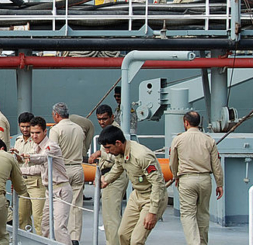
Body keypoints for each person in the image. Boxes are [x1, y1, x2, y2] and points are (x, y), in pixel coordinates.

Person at [100, 125, 167, 245]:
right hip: (137, 195)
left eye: (108, 147)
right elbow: (119, 166)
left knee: (136, 240)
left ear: (118, 143)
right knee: (123, 234)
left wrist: (152, 212)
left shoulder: (142, 156)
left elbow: (158, 184)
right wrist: (106, 180)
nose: (107, 152)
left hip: (152, 197)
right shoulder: (120, 152)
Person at [169, 111, 224, 245]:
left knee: (188, 214)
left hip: (187, 179)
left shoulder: (178, 139)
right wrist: (219, 184)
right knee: (203, 214)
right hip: (205, 179)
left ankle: (194, 243)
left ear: (186, 122)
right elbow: (216, 164)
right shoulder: (209, 140)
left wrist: (176, 176)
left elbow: (172, 163)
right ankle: (203, 242)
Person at [23, 116, 73, 245]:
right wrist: (17, 171)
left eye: (37, 133)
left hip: (60, 190)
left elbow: (43, 158)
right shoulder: (37, 147)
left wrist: (29, 157)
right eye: (32, 133)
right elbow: (38, 170)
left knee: (59, 228)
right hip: (49, 191)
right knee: (44, 225)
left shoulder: (51, 146)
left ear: (45, 132)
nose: (34, 136)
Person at [88, 104, 128, 245]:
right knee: (114, 214)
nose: (101, 122)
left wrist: (100, 152)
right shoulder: (109, 131)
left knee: (111, 217)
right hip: (109, 174)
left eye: (105, 118)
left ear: (112, 117)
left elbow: (118, 157)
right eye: (99, 119)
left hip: (113, 175)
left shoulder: (116, 132)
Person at [50, 102, 86, 245]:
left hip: (61, 170)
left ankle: (61, 237)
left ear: (56, 115)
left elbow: (51, 151)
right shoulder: (79, 129)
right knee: (76, 205)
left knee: (60, 205)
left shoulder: (56, 130)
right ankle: (75, 237)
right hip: (77, 167)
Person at [13, 111, 44, 235]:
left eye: (28, 126)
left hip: (36, 182)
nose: (25, 129)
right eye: (22, 126)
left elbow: (40, 161)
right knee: (22, 217)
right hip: (22, 182)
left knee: (39, 218)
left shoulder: (38, 141)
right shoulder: (18, 141)